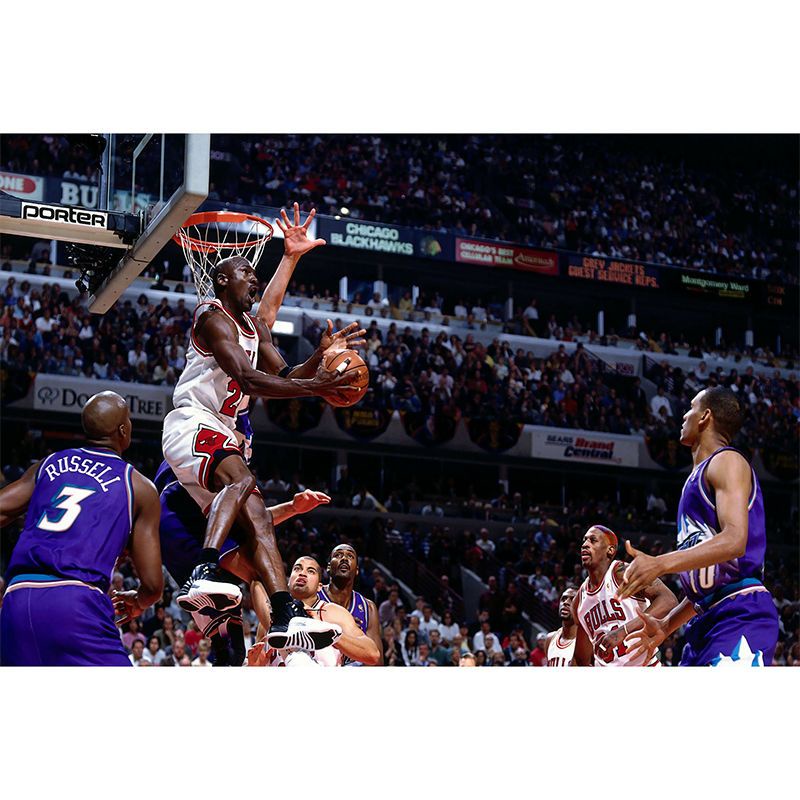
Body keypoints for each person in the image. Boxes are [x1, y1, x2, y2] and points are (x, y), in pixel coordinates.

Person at [161, 204, 365, 652]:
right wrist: (317, 386)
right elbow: (249, 380)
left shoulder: (254, 330)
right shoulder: (212, 317)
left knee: (258, 520)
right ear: (221, 280)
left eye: (257, 273)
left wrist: (320, 359)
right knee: (241, 481)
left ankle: (284, 614)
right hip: (192, 420)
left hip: (222, 429)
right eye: (245, 272)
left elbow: (287, 374)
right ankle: (203, 570)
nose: (254, 278)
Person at [620, 387, 780, 667]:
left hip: (740, 613)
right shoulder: (695, 479)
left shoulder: (727, 461)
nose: (684, 415)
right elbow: (709, 583)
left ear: (705, 416)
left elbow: (734, 540)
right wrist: (667, 625)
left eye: (690, 408)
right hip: (704, 622)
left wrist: (660, 563)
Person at [0, 391, 163, 666]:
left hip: (17, 598)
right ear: (123, 430)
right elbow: (153, 585)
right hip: (75, 604)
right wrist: (140, 601)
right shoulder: (138, 486)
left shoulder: (49, 464)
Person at [156, 459, 332, 666]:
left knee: (230, 649)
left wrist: (292, 507)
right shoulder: (223, 456)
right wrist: (292, 508)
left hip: (169, 530)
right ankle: (292, 645)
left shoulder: (174, 457)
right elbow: (253, 521)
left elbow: (247, 516)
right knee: (261, 571)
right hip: (188, 519)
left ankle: (204, 581)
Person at [572, 525, 677, 666]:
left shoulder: (622, 573)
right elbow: (582, 659)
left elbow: (669, 600)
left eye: (593, 540)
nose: (585, 544)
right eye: (584, 540)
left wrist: (623, 631)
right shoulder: (578, 601)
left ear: (610, 550)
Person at [247, 556, 379, 667]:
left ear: (319, 587)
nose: (302, 573)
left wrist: (332, 635)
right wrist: (254, 666)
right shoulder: (271, 617)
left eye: (310, 571)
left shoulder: (331, 612)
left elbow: (372, 654)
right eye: (297, 569)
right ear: (287, 580)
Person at [316, 543, 383, 665]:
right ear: (329, 567)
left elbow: (376, 663)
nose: (344, 558)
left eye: (350, 556)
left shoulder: (368, 608)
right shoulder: (314, 596)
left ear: (357, 570)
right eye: (338, 555)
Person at [544, 587, 578, 667]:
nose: (566, 602)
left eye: (572, 600)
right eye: (563, 599)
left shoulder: (587, 642)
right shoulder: (550, 639)